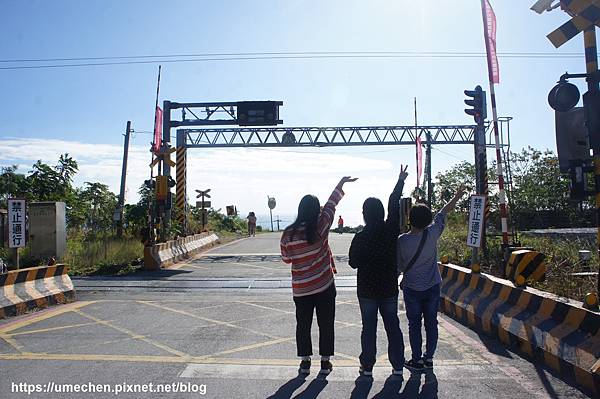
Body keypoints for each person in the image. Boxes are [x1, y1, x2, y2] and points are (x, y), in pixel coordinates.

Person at [280, 176, 358, 375]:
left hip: (301, 289)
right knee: (326, 323)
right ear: (317, 210)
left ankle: (305, 362)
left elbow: (286, 258)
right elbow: (331, 205)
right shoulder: (321, 227)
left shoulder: (288, 233)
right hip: (324, 285)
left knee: (303, 324)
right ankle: (325, 362)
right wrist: (340, 184)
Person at [397, 186, 466, 372]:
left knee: (414, 325)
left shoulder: (401, 241)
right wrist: (457, 195)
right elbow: (443, 212)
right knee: (431, 323)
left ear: (410, 220)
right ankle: (429, 359)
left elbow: (400, 266)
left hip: (412, 288)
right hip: (433, 286)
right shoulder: (432, 233)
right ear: (428, 221)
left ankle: (416, 360)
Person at [349, 164, 408, 377]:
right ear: (381, 213)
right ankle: (398, 366)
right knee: (393, 327)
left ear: (364, 214)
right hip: (388, 289)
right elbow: (394, 205)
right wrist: (400, 180)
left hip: (367, 291)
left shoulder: (361, 237)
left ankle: (367, 366)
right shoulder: (391, 230)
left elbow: (353, 262)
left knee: (369, 329)